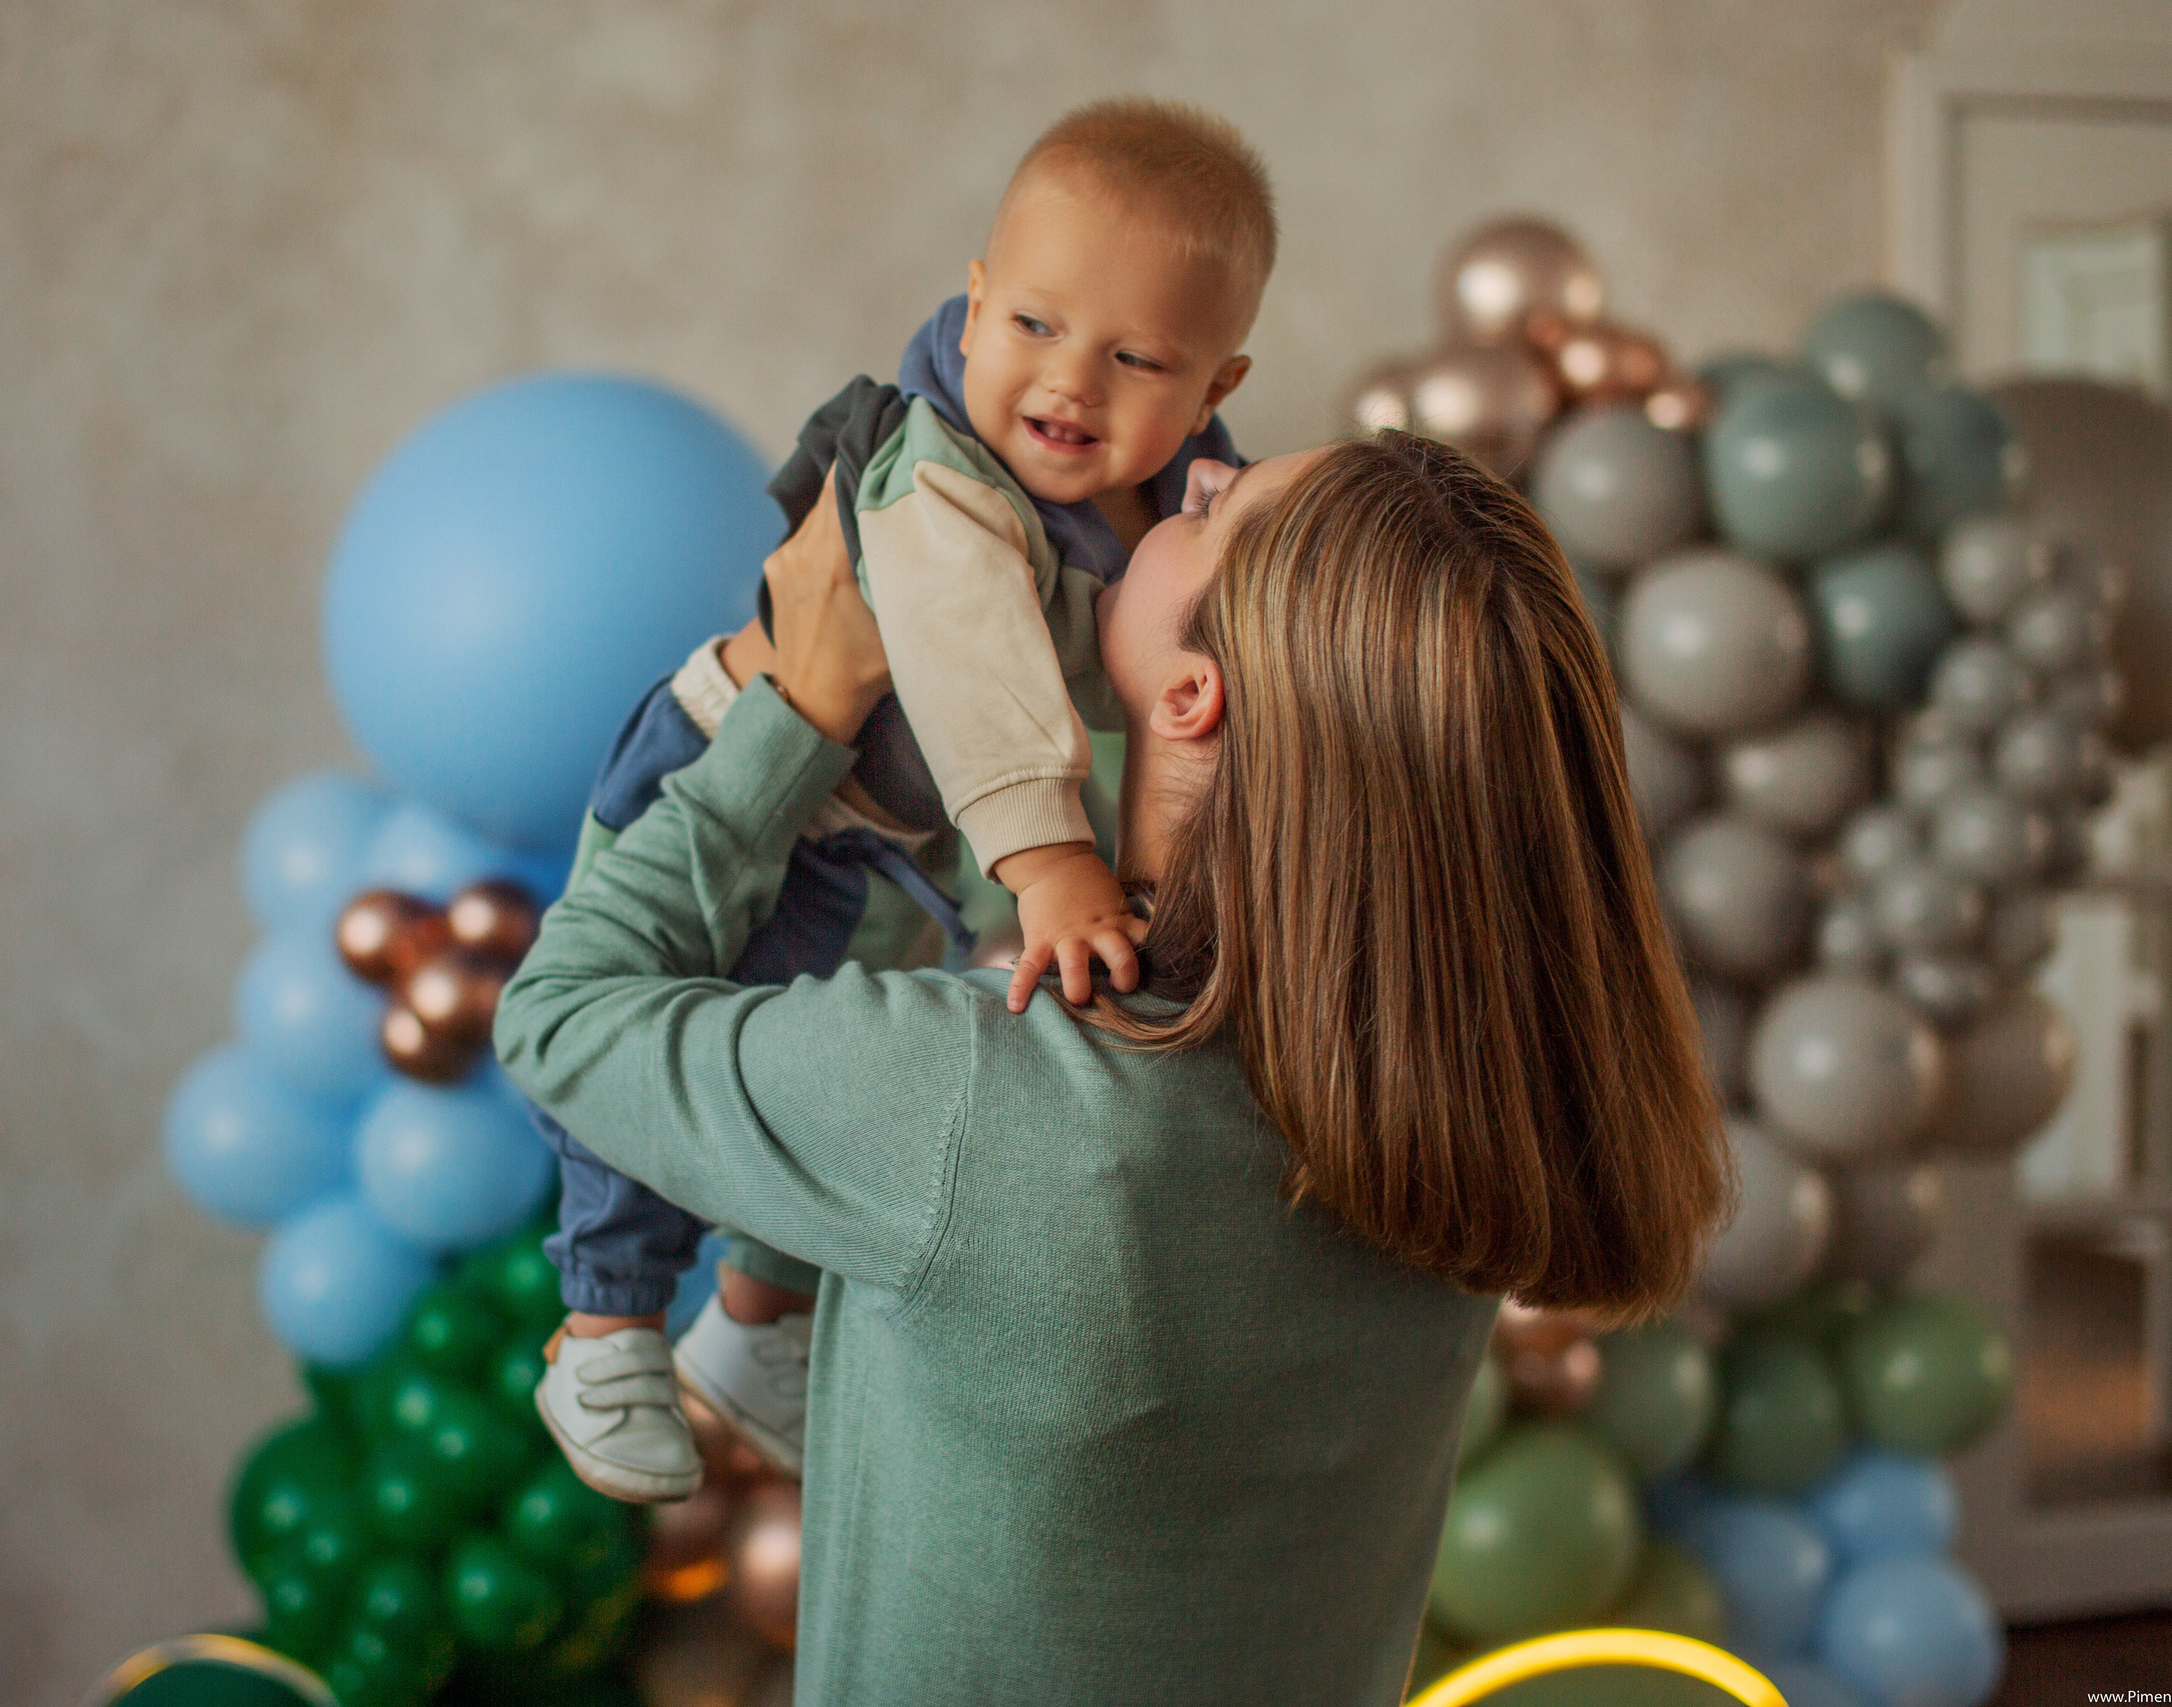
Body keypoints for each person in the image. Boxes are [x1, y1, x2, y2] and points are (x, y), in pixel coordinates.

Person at [496, 432, 1729, 1705]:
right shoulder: (1448, 1138)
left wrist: (789, 711)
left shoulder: (989, 1099)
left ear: (1194, 696)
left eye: (1222, 505)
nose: (1192, 473)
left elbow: (560, 1015)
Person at [532, 96, 1277, 1502]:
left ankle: (757, 1326)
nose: (1072, 384)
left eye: (1139, 359)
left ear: (1216, 377)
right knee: (666, 1038)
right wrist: (1056, 858)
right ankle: (606, 1318)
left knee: (826, 1076)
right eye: (1037, 327)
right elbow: (973, 661)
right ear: (977, 296)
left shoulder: (1182, 490)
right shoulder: (939, 477)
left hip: (886, 845)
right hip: (733, 762)